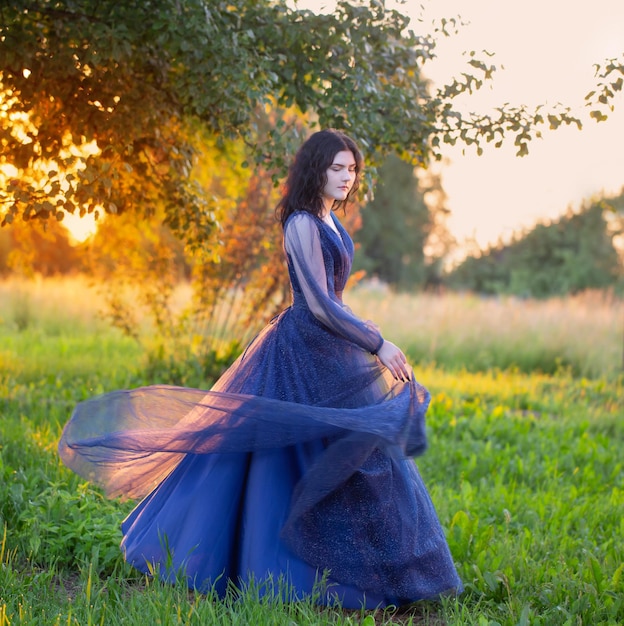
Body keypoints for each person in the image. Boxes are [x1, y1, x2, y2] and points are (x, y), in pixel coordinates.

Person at [59, 129, 462, 609]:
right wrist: (377, 342)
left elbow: (335, 300)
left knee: (365, 451)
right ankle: (266, 567)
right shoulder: (301, 224)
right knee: (275, 455)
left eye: (351, 169)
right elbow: (316, 304)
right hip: (303, 347)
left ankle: (387, 569)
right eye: (336, 168)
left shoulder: (330, 219)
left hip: (335, 348)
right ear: (316, 169)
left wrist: (361, 333)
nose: (346, 177)